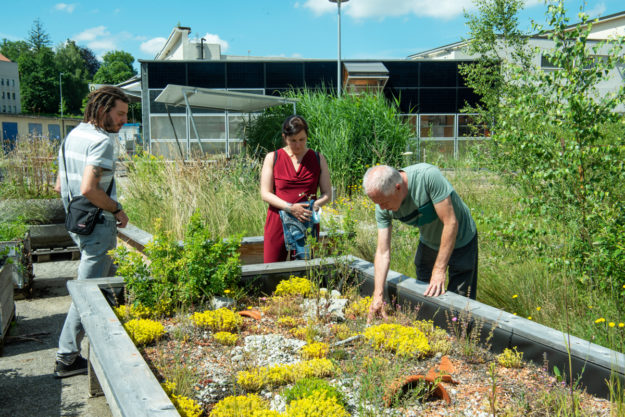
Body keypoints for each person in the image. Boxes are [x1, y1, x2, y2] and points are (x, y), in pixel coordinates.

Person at [53, 86, 130, 378]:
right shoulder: (101, 142)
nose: (124, 120)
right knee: (88, 291)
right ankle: (66, 356)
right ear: (103, 109)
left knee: (101, 284)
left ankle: (111, 338)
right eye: (120, 114)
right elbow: (89, 188)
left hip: (77, 223)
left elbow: (61, 186)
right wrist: (115, 209)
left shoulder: (72, 137)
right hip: (97, 224)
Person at [362, 164, 478, 322]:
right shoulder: (382, 205)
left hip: (462, 239)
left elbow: (451, 223)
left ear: (398, 188)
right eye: (377, 203)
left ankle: (459, 336)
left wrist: (439, 270)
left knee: (460, 300)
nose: (382, 208)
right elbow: (382, 252)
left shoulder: (428, 177)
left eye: (384, 202)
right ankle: (431, 327)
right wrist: (378, 294)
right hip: (429, 242)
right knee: (424, 294)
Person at [260, 115, 332, 262]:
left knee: (303, 271)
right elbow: (265, 193)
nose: (298, 145)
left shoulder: (318, 158)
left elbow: (327, 194)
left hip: (306, 221)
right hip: (277, 221)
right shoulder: (272, 158)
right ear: (284, 137)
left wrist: (315, 205)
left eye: (302, 139)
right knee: (272, 270)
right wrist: (290, 208)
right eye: (293, 140)